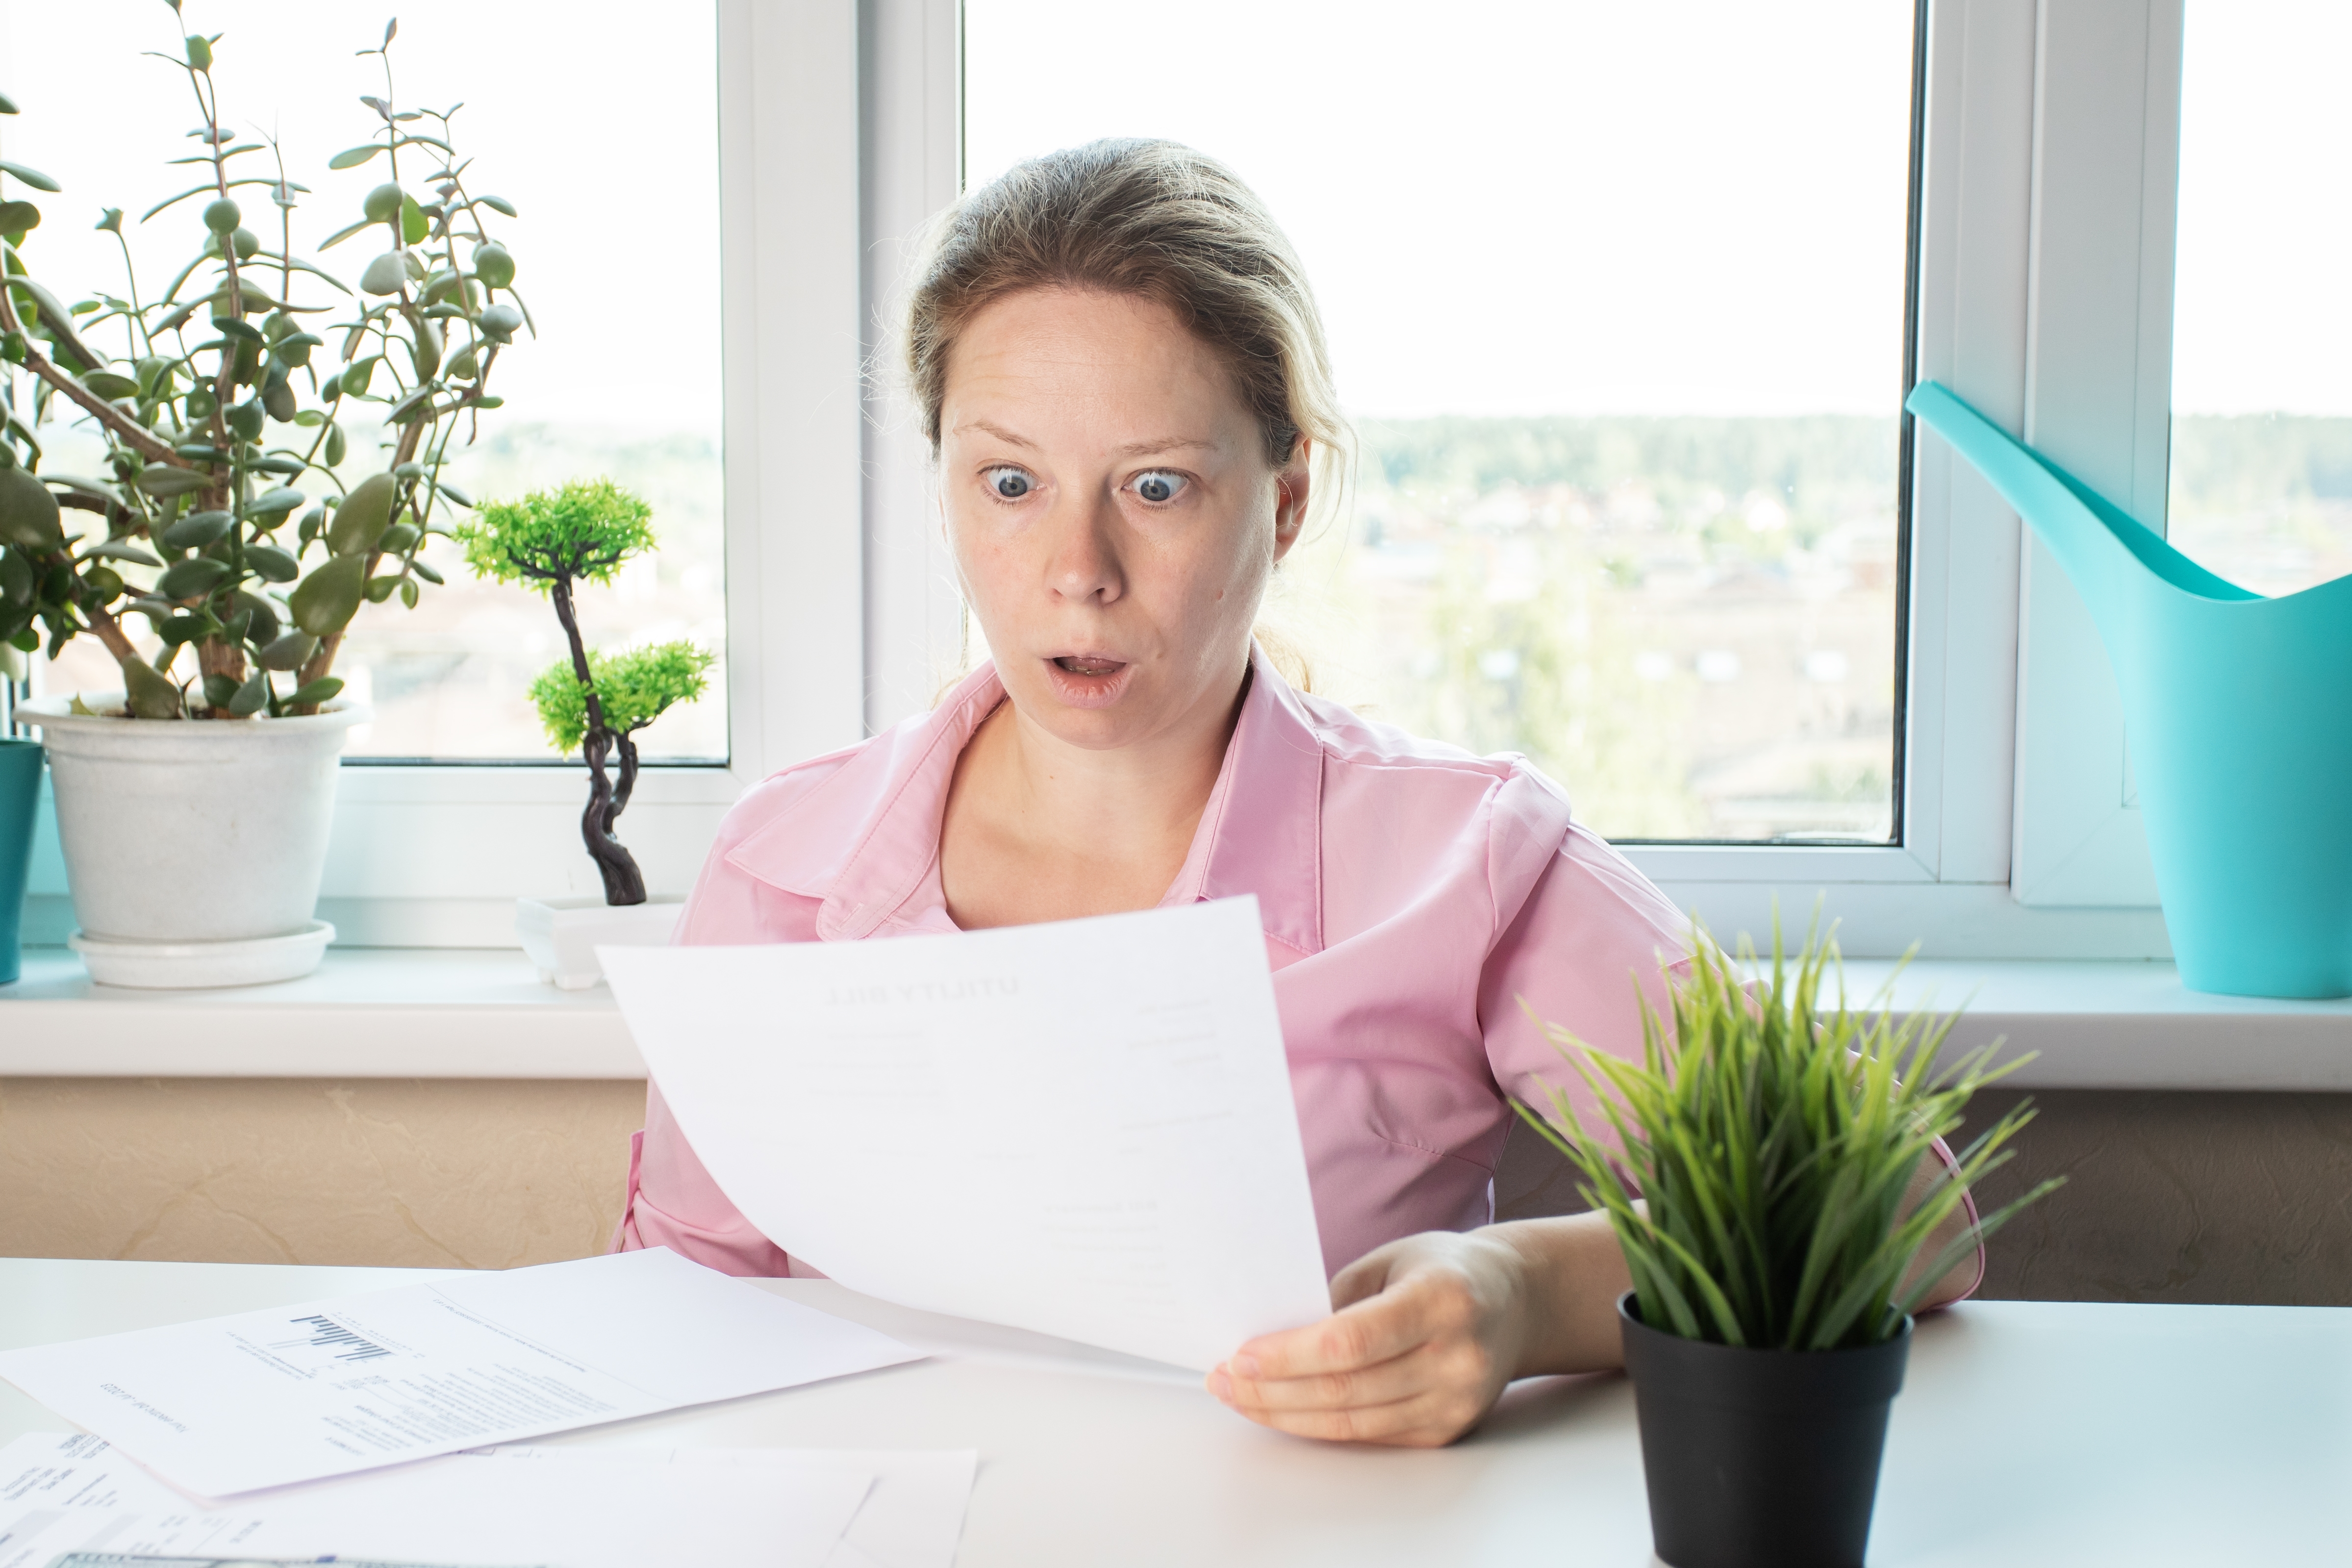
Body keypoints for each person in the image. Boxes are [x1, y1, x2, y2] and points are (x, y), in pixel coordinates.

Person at [615, 137, 1980, 1446]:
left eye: (1156, 486)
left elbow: (1913, 1213)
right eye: (1011, 482)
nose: (1076, 566)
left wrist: (1522, 1294)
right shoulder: (782, 865)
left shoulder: (1457, 857)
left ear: (1283, 499)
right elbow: (670, 1315)